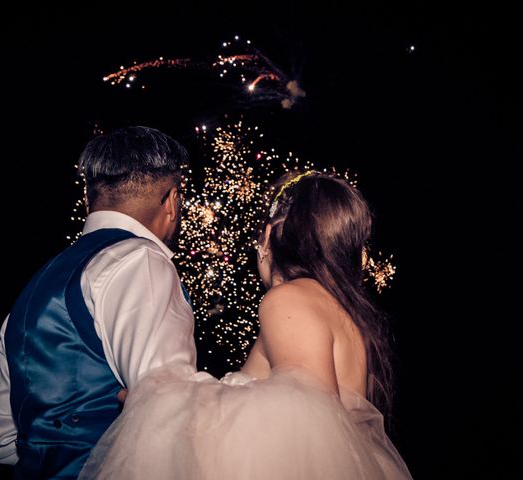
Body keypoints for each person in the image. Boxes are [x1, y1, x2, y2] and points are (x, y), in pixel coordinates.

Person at [79, 171, 413, 479]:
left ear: (268, 236)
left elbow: (304, 427)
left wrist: (159, 402)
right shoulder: (341, 309)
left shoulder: (288, 300)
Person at [0, 126, 206, 479]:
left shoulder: (33, 290)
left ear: (89, 199)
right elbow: (167, 414)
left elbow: (1, 442)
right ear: (173, 200)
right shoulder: (140, 261)